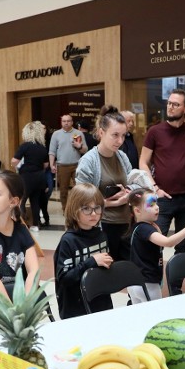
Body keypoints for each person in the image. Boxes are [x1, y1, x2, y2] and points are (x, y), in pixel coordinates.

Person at [139, 89, 185, 263]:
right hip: (160, 197)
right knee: (154, 244)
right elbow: (143, 163)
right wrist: (155, 188)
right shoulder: (154, 131)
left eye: (176, 104)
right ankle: (151, 284)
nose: (170, 107)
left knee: (183, 247)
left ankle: (177, 287)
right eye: (169, 103)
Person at [75, 106, 134, 261]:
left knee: (126, 270)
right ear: (101, 133)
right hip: (103, 225)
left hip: (125, 223)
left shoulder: (122, 157)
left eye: (123, 135)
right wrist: (114, 202)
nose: (120, 141)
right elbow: (82, 200)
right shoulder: (88, 161)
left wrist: (129, 192)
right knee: (107, 274)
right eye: (115, 135)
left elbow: (133, 182)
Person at [128, 188, 185, 303]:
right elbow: (168, 242)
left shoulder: (140, 227)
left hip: (136, 283)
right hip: (147, 284)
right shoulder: (145, 229)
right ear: (137, 211)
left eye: (156, 202)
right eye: (151, 205)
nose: (157, 207)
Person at [53, 183, 112, 319]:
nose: (93, 214)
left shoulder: (101, 235)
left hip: (101, 303)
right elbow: (64, 279)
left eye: (97, 208)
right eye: (86, 209)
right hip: (75, 309)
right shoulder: (68, 241)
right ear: (74, 210)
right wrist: (91, 262)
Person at [11, 121, 49, 231]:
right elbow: (46, 165)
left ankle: (21, 223)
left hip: (26, 176)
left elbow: (14, 161)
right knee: (35, 201)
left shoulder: (25, 146)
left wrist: (15, 165)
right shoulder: (42, 147)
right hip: (39, 176)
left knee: (21, 200)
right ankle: (36, 225)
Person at [48, 114, 88, 212]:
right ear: (61, 122)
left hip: (77, 165)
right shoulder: (56, 134)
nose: (66, 123)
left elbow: (85, 150)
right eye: (64, 121)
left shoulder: (78, 133)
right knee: (63, 190)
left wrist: (79, 146)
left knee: (80, 189)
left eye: (68, 121)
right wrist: (51, 164)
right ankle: (65, 209)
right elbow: (52, 151)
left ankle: (79, 208)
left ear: (72, 122)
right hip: (62, 166)